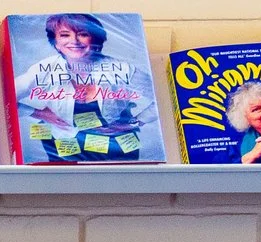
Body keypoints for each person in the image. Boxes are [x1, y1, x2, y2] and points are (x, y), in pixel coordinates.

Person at [13, 14, 157, 162]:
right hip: (66, 144)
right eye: (64, 35)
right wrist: (38, 113)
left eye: (82, 34)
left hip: (114, 146)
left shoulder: (123, 69)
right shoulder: (43, 69)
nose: (74, 41)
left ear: (95, 39)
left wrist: (136, 121)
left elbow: (159, 101)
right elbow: (6, 97)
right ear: (56, 42)